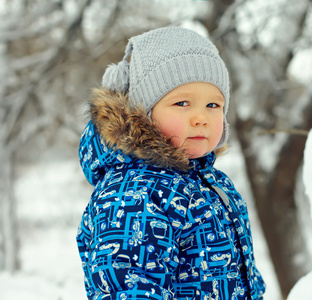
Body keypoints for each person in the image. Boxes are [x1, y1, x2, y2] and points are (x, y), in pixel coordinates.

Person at [76, 26, 266, 300]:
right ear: (144, 113)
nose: (200, 117)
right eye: (182, 103)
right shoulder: (134, 194)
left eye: (213, 105)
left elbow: (243, 276)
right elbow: (130, 287)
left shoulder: (214, 183)